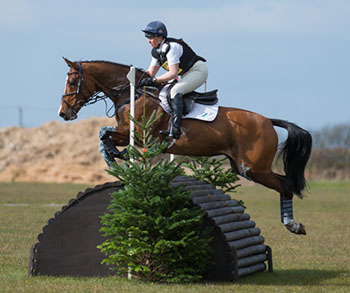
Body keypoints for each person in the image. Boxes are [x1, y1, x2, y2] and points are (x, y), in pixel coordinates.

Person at [139, 20, 208, 139]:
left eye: (150, 37)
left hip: (198, 71)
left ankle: (176, 128)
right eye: (147, 37)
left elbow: (172, 73)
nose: (148, 41)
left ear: (160, 37)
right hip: (186, 74)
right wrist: (136, 75)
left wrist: (154, 80)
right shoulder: (157, 51)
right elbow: (150, 73)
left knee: (175, 91)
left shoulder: (171, 47)